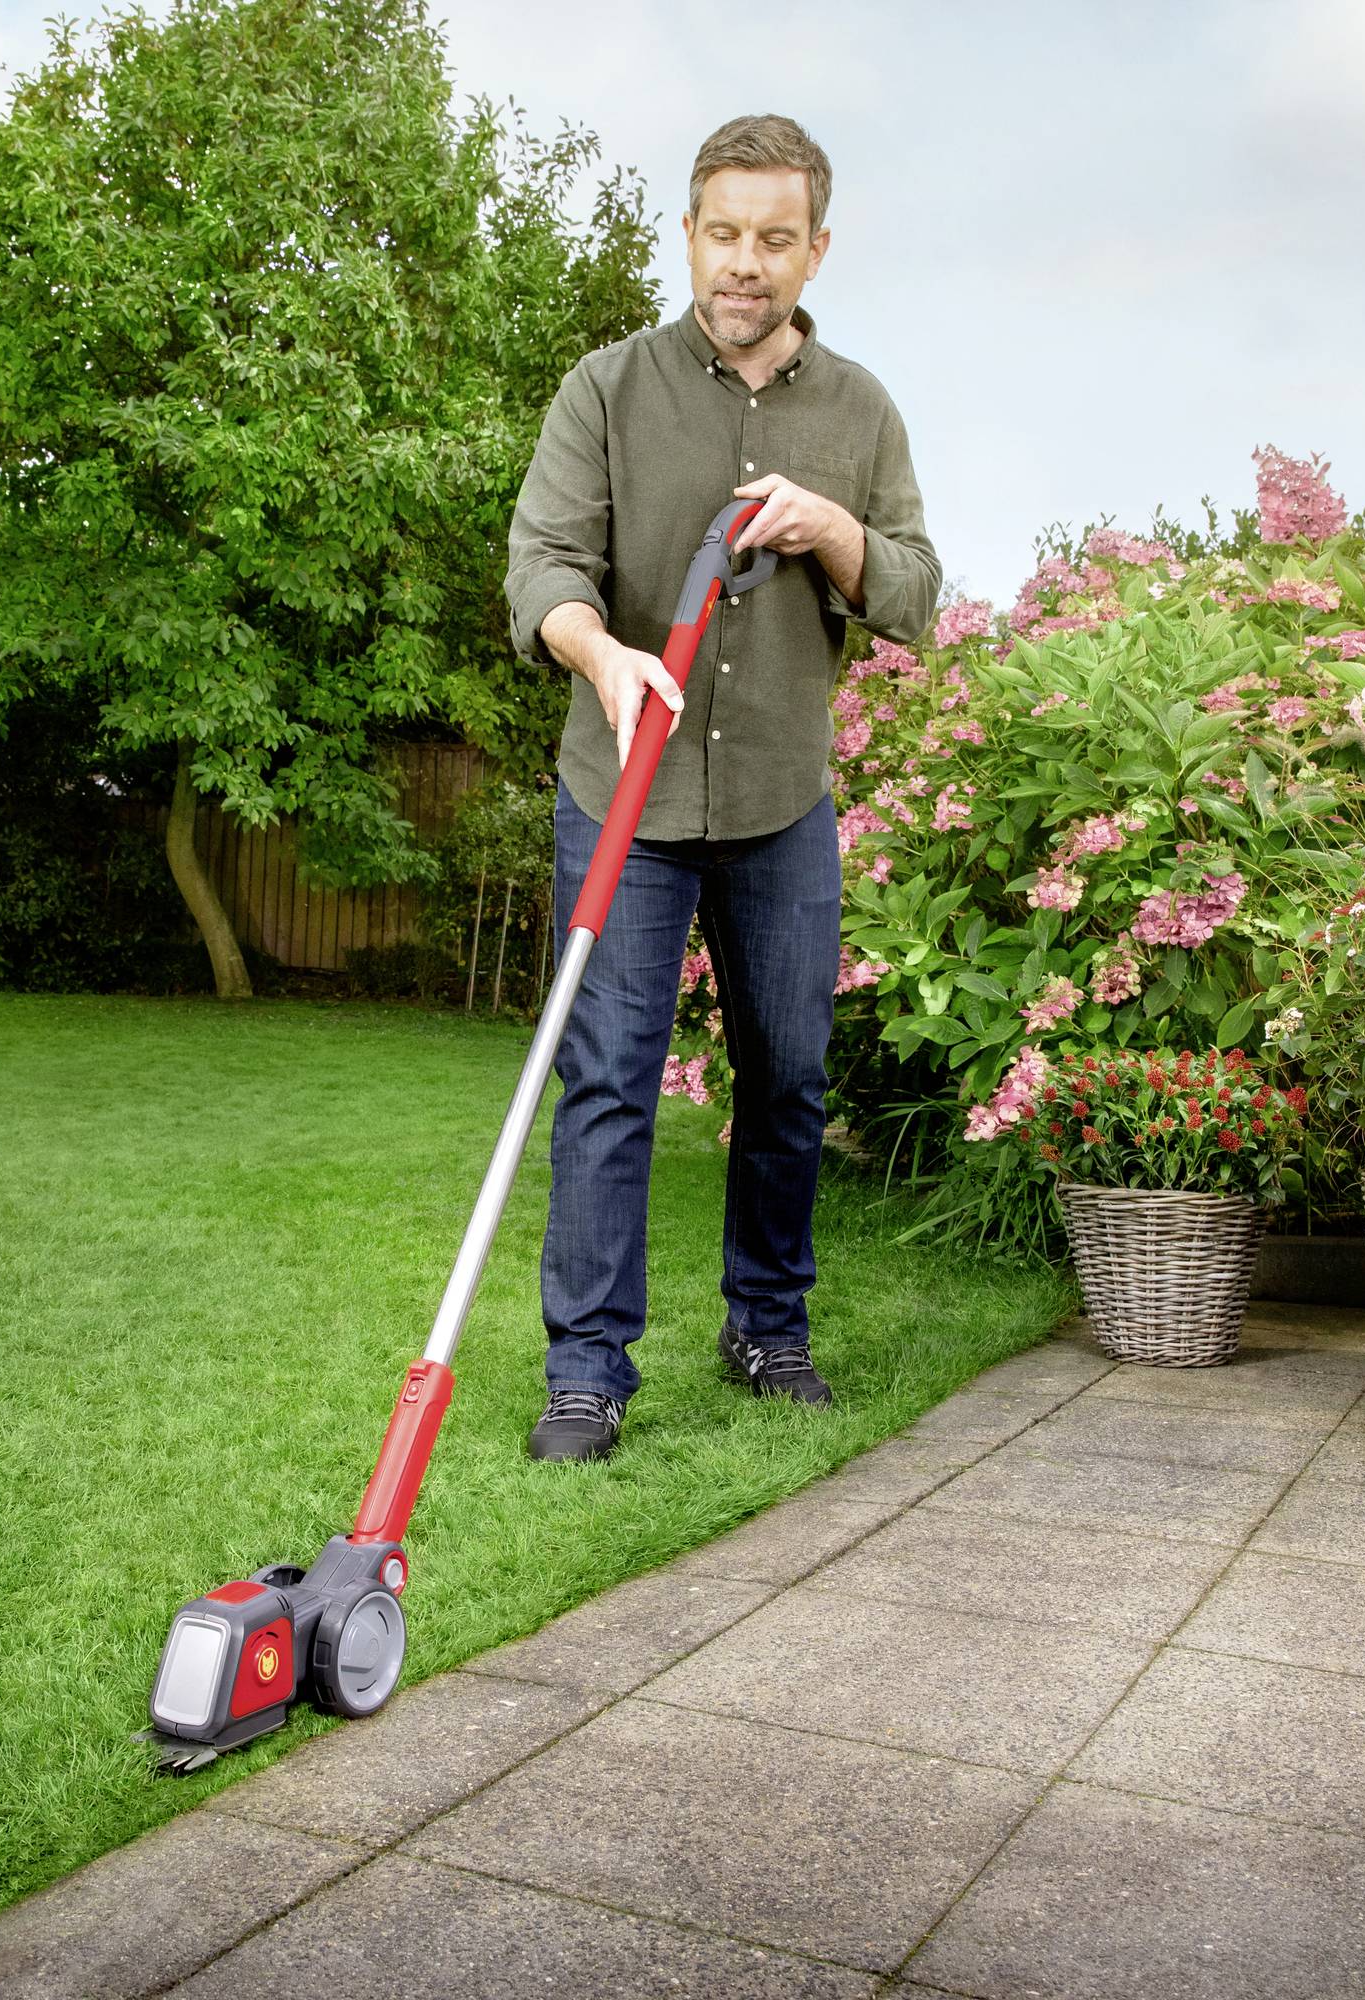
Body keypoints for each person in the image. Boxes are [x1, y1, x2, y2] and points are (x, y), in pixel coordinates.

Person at [504, 112, 941, 1463]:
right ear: (689, 233)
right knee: (608, 1082)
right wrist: (602, 654)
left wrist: (834, 530)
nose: (744, 263)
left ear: (816, 248)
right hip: (623, 800)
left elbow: (917, 592)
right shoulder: (609, 390)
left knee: (790, 1080)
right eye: (724, 234)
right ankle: (588, 1370)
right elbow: (543, 565)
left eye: (774, 238)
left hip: (777, 809)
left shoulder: (858, 411)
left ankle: (768, 1327)